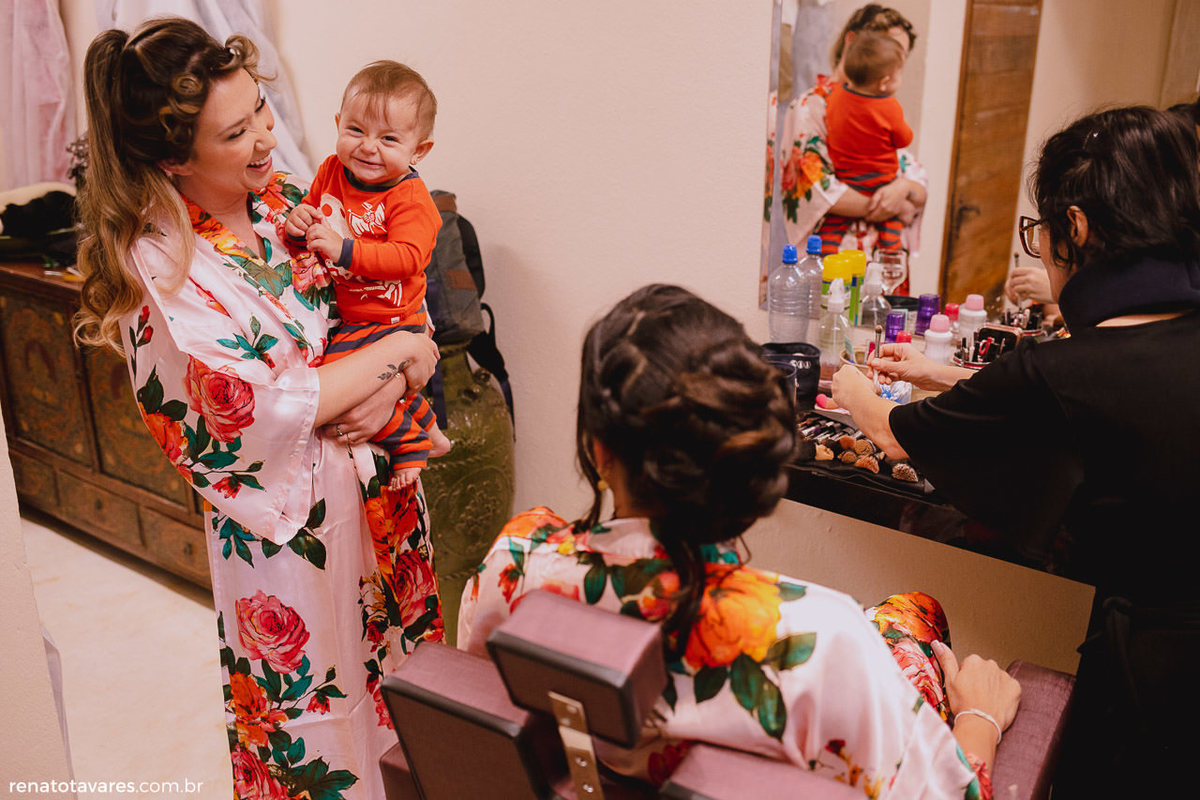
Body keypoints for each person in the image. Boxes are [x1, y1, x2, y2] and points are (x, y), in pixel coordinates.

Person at [458, 284, 1020, 797]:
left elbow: (489, 717)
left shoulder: (515, 562)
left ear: (599, 450)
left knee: (913, 611)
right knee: (918, 620)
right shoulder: (818, 641)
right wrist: (980, 721)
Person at [75, 18, 443, 799]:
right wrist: (398, 355)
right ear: (174, 158)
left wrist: (407, 361)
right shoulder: (163, 269)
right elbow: (271, 409)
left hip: (383, 497)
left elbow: (398, 308)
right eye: (236, 132)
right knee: (320, 729)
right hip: (293, 540)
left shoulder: (287, 204)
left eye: (261, 112)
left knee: (406, 702)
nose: (267, 139)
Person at [832, 106, 1200, 795]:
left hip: (1160, 688)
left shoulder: (1068, 371)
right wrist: (942, 374)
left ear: (1076, 229)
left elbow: (892, 433)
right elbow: (1087, 395)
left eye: (1041, 233)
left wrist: (853, 385)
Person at [285, 61, 452, 490]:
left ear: (419, 150)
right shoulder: (331, 171)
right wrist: (299, 220)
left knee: (341, 387)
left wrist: (344, 250)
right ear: (338, 124)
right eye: (356, 130)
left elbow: (408, 258)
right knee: (352, 381)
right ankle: (430, 428)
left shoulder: (411, 200)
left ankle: (412, 443)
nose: (368, 147)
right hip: (355, 314)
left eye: (389, 139)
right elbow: (313, 210)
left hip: (393, 318)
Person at [778, 4, 927, 260]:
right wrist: (895, 205)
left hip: (884, 260)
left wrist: (904, 188)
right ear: (852, 42)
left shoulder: (882, 109)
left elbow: (916, 180)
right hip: (835, 262)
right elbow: (816, 189)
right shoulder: (810, 107)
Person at [817, 30, 913, 254]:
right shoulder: (889, 107)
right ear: (884, 82)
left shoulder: (835, 97)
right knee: (891, 226)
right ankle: (890, 253)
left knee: (833, 225)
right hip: (880, 181)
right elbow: (904, 140)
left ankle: (825, 252)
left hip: (846, 178)